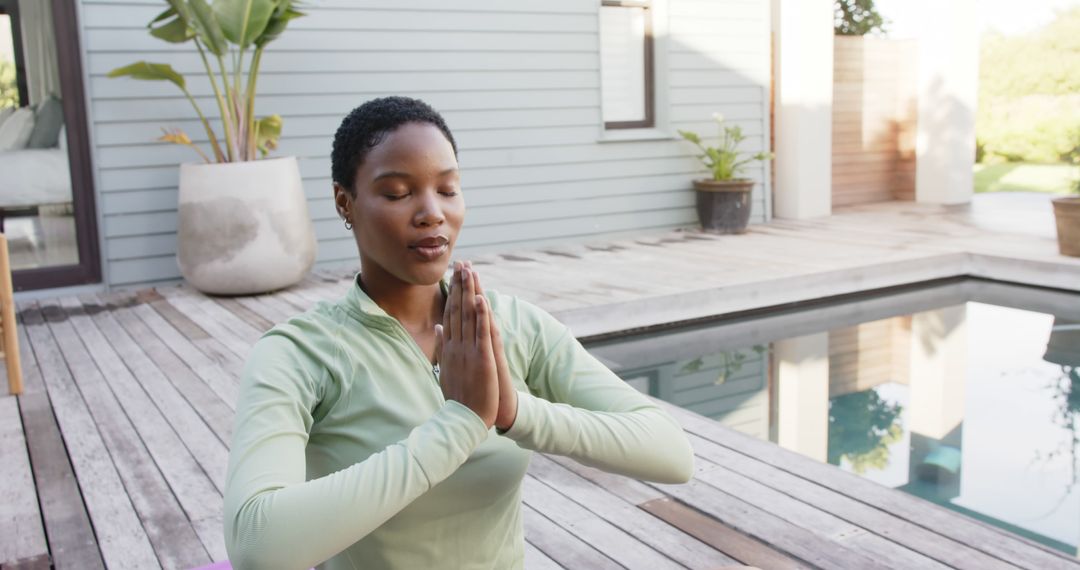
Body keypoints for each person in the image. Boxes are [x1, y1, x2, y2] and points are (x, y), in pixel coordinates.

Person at [222, 96, 695, 570]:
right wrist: (461, 423)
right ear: (346, 202)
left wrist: (513, 411)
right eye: (397, 192)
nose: (432, 212)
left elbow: (671, 453)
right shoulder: (301, 353)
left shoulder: (514, 326)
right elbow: (257, 546)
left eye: (447, 189)